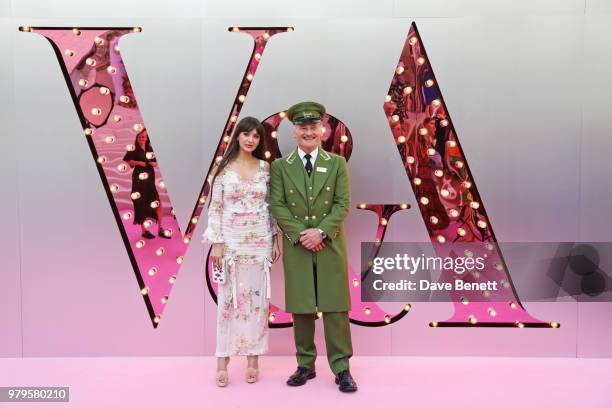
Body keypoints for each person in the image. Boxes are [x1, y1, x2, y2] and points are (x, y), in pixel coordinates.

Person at [269, 101, 358, 393]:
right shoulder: (281, 167)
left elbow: (343, 203)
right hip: (298, 244)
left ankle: (342, 367)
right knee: (302, 306)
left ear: (322, 130)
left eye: (313, 127)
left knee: (335, 307)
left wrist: (320, 232)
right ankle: (305, 364)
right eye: (302, 128)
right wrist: (302, 235)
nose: (308, 132)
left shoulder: (337, 163)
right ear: (294, 132)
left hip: (329, 242)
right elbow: (278, 206)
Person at [202, 117, 281, 387]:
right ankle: (222, 361)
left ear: (260, 141)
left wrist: (275, 238)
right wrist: (217, 241)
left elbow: (270, 207)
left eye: (256, 136)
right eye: (246, 134)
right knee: (228, 302)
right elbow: (215, 207)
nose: (250, 140)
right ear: (237, 136)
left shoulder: (265, 167)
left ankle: (253, 359)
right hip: (232, 243)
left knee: (258, 303)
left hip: (259, 241)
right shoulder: (222, 169)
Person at [122, 129, 170, 239]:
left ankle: (160, 229)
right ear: (136, 138)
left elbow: (157, 163)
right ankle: (144, 231)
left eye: (144, 137)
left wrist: (153, 163)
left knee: (158, 203)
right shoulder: (133, 149)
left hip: (150, 180)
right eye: (140, 137)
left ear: (147, 138)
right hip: (139, 181)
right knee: (141, 204)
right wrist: (138, 162)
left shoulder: (150, 149)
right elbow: (129, 162)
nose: (142, 138)